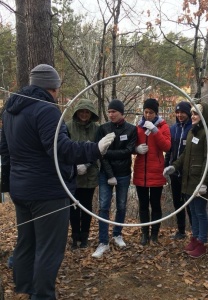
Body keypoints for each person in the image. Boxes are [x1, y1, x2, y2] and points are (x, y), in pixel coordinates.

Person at [0, 64, 115, 300]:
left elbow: (5, 151)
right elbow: (60, 149)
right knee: (49, 248)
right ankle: (42, 295)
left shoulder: (10, 109)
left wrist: (8, 183)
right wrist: (95, 149)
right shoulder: (46, 109)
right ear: (51, 87)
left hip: (21, 190)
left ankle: (24, 287)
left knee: (27, 242)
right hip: (48, 192)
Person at [164, 103, 208, 258]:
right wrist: (173, 167)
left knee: (200, 211)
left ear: (204, 116)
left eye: (196, 114)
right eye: (192, 113)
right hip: (187, 180)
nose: (193, 116)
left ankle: (202, 242)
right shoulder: (192, 132)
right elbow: (184, 155)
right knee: (192, 211)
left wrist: (203, 183)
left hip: (198, 181)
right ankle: (194, 237)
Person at [92, 99, 137, 258]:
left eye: (114, 112)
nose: (111, 114)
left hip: (124, 173)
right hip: (106, 174)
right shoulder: (103, 129)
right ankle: (103, 242)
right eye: (109, 111)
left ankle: (117, 234)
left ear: (121, 113)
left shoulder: (131, 129)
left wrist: (108, 153)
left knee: (122, 205)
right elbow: (100, 153)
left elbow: (128, 151)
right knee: (103, 206)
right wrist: (110, 174)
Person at [133, 98, 171, 245]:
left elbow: (167, 146)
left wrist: (155, 131)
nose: (148, 115)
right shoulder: (138, 127)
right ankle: (144, 234)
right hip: (140, 171)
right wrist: (136, 149)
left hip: (156, 171)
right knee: (143, 205)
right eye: (146, 112)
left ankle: (154, 234)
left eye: (151, 112)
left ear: (156, 113)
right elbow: (132, 144)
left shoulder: (163, 127)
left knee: (155, 204)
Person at [66, 99, 100, 249]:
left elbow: (99, 149)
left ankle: (84, 236)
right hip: (72, 174)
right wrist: (75, 165)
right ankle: (75, 236)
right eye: (82, 111)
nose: (84, 114)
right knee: (73, 206)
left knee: (86, 206)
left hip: (90, 173)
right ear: (77, 112)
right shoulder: (67, 127)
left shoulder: (96, 129)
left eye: (87, 112)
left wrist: (87, 164)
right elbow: (64, 149)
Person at [164, 101, 193, 240]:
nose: (180, 115)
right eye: (177, 112)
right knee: (177, 202)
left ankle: (195, 232)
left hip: (188, 174)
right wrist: (166, 166)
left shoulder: (193, 128)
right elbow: (169, 150)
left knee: (190, 204)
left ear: (188, 113)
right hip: (174, 173)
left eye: (182, 112)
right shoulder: (173, 128)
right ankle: (181, 231)